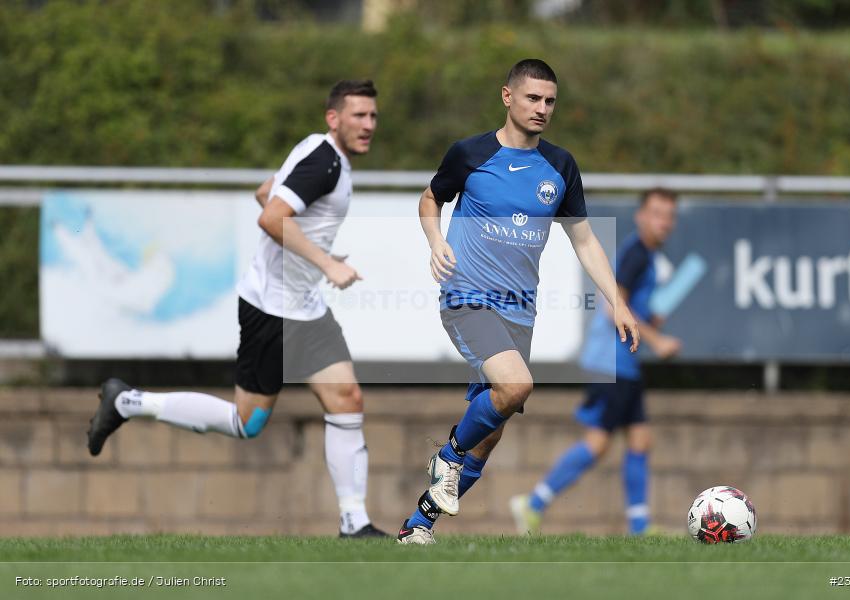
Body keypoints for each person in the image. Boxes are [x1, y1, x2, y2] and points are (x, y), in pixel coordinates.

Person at [87, 80, 387, 538]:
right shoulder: (325, 164)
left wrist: (312, 252)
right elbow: (269, 217)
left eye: (373, 116)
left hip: (303, 305)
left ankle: (355, 523)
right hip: (273, 309)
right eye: (358, 116)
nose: (368, 125)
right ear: (334, 118)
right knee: (246, 423)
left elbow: (267, 192)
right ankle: (128, 401)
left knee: (347, 398)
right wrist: (325, 261)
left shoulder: (319, 152)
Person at [396, 59, 639, 545]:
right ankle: (445, 455)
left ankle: (417, 525)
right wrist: (435, 239)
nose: (542, 108)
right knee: (516, 386)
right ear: (508, 97)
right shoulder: (470, 154)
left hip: (520, 313)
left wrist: (617, 301)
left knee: (488, 436)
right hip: (467, 298)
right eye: (533, 98)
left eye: (550, 101)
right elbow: (430, 199)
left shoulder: (560, 166)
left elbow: (584, 241)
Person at [510, 187, 681, 536]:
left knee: (640, 439)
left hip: (623, 365)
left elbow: (630, 306)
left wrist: (650, 319)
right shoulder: (636, 254)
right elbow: (611, 309)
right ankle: (533, 503)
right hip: (611, 363)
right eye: (657, 213)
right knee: (598, 443)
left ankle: (639, 526)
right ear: (641, 216)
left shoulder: (647, 256)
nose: (664, 222)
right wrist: (657, 339)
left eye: (669, 216)